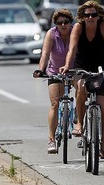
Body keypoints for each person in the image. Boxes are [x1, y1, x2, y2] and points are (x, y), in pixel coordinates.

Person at [59, 0, 104, 159]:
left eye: (93, 15)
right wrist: (66, 65)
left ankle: (103, 140)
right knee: (82, 86)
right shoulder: (78, 27)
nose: (90, 17)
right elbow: (72, 49)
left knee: (101, 103)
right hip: (81, 65)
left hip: (101, 66)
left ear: (99, 16)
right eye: (87, 15)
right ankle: (80, 124)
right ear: (82, 17)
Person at [33, 9, 74, 154]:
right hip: (55, 71)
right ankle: (51, 140)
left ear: (71, 23)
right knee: (55, 103)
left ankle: (79, 118)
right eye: (59, 23)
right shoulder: (51, 34)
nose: (63, 25)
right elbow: (45, 53)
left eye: (66, 22)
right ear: (55, 24)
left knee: (83, 91)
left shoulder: (76, 33)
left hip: (73, 70)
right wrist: (40, 69)